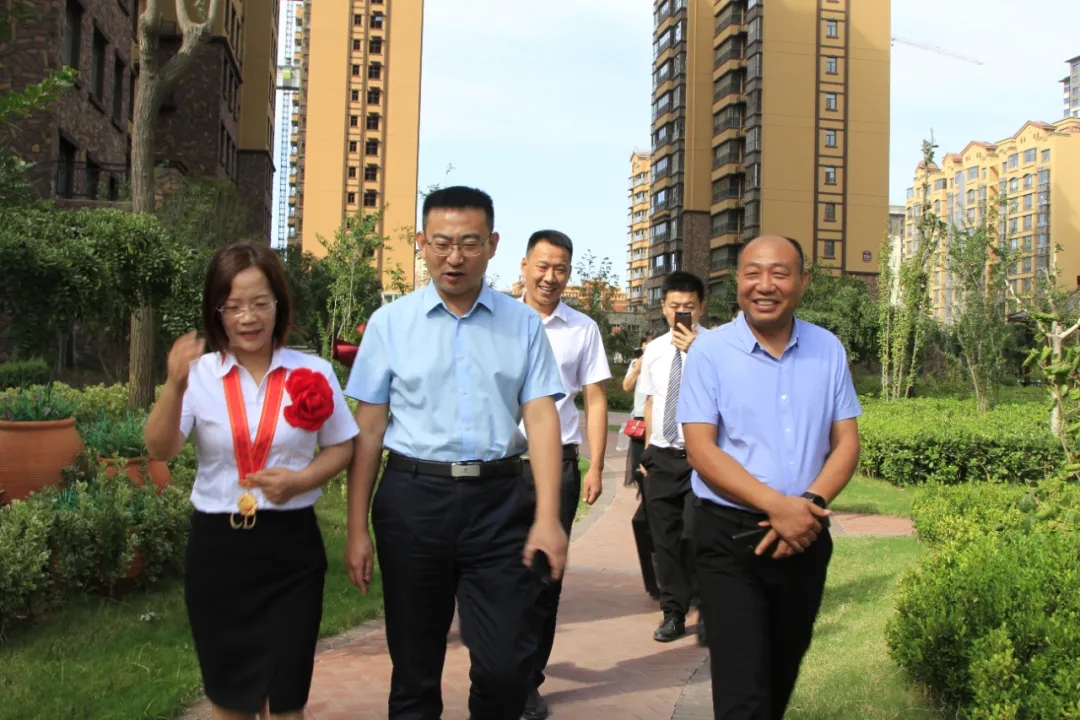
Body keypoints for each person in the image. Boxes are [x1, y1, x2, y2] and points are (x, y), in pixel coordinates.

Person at [341, 186, 569, 720]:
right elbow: (368, 430)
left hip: (500, 505)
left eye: (469, 243)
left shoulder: (522, 323)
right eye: (441, 243)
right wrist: (356, 529)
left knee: (506, 669)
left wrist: (548, 518)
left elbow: (540, 418)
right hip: (413, 501)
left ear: (492, 245)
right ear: (422, 243)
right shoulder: (390, 324)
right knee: (414, 669)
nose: (455, 257)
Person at [144, 241, 359, 720]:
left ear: (278, 304)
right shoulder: (200, 376)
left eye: (260, 303)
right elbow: (160, 449)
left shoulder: (312, 371)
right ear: (216, 312)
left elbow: (342, 446)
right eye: (234, 306)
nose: (248, 317)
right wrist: (174, 384)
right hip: (219, 550)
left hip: (291, 551)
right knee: (232, 701)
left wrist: (301, 481)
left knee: (287, 700)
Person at [678, 235, 862, 719]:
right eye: (753, 273)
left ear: (802, 281)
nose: (765, 285)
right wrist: (777, 506)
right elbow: (700, 450)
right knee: (743, 692)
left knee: (779, 680)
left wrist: (807, 506)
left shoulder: (827, 349)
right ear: (737, 281)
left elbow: (846, 442)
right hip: (729, 539)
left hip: (805, 536)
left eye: (779, 273)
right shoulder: (710, 352)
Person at [516, 229, 611, 719]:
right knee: (496, 576)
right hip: (498, 468)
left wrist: (597, 465)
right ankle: (495, 673)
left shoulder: (582, 329)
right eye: (543, 266)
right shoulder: (498, 319)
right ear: (524, 266)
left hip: (560, 466)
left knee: (543, 579)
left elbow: (595, 399)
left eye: (560, 269)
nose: (550, 277)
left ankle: (527, 682)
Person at [636, 270, 707, 643]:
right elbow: (651, 401)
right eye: (675, 305)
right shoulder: (654, 351)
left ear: (701, 308)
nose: (681, 312)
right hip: (662, 456)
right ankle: (673, 613)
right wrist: (647, 451)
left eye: (689, 306)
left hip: (702, 458)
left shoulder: (715, 348)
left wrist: (697, 352)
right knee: (664, 540)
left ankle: (708, 609)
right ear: (663, 307)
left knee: (698, 534)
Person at [622, 330, 661, 601]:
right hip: (638, 425)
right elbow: (626, 386)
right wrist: (637, 367)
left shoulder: (662, 359)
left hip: (657, 428)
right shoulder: (637, 362)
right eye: (645, 344)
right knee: (641, 479)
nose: (647, 347)